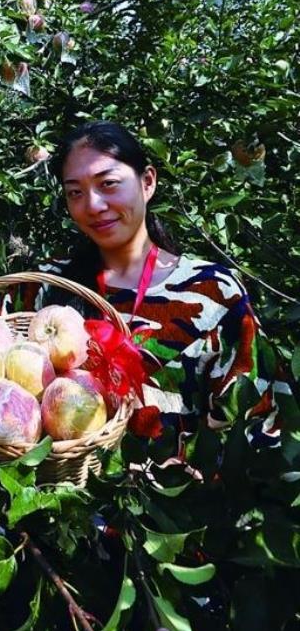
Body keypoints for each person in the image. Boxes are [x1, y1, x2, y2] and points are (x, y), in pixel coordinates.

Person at [45, 119, 278, 443]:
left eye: (108, 183)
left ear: (148, 182)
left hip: (179, 490)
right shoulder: (47, 286)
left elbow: (256, 423)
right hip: (58, 486)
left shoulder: (212, 292)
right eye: (75, 192)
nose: (94, 205)